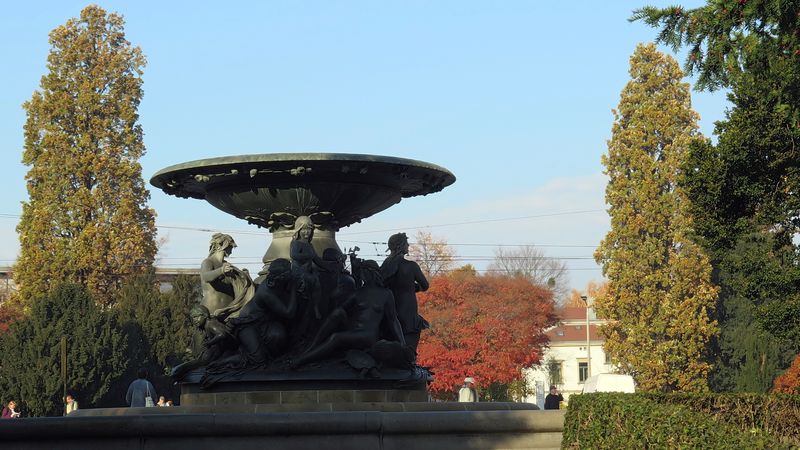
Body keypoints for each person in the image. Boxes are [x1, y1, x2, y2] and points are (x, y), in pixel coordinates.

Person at [293, 260, 406, 366]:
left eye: (363, 273)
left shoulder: (386, 294)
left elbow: (393, 320)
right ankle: (312, 347)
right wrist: (333, 297)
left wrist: (402, 344)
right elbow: (340, 309)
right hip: (353, 330)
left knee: (336, 337)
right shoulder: (359, 292)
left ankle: (300, 361)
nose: (362, 277)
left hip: (368, 335)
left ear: (371, 273)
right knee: (337, 313)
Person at [380, 232, 429, 357]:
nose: (408, 245)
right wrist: (413, 287)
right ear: (401, 245)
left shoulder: (384, 266)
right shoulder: (411, 266)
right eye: (406, 243)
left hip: (390, 313)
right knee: (408, 351)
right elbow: (425, 285)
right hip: (408, 314)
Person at [200, 233, 255, 321]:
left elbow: (236, 286)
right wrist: (221, 270)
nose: (231, 251)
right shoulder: (208, 262)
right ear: (221, 246)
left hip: (229, 312)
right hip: (211, 312)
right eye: (230, 247)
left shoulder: (228, 266)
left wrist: (244, 278)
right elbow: (206, 277)